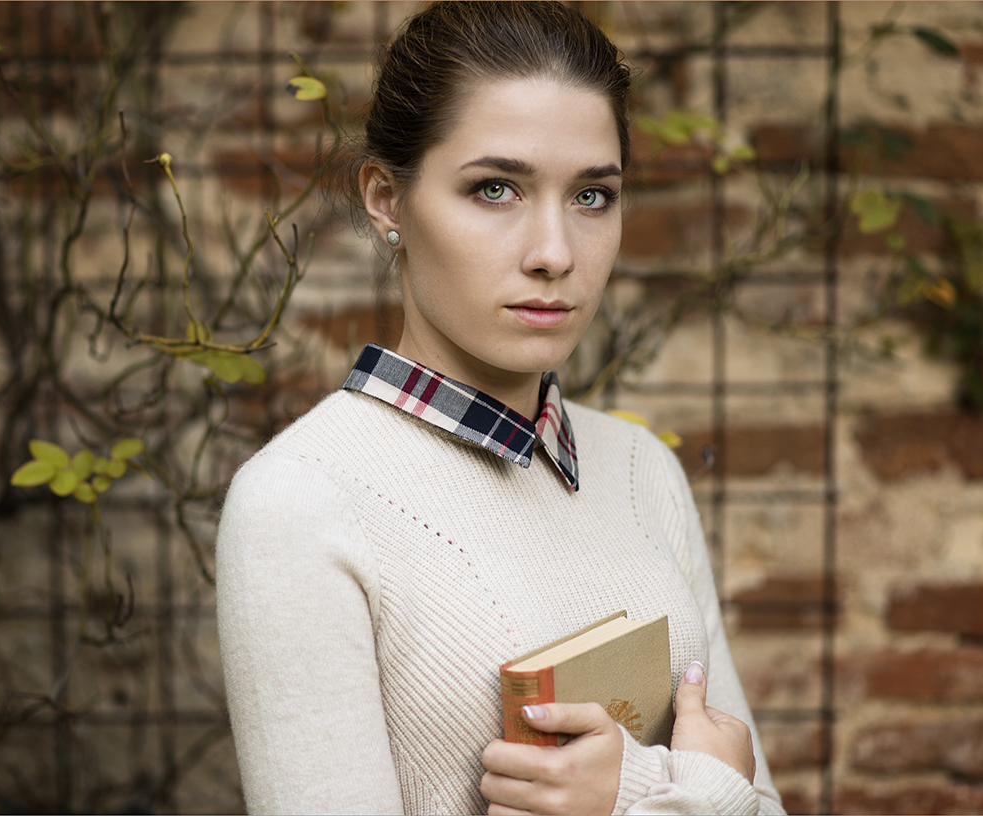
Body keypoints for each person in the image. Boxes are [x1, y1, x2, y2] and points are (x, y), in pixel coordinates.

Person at [215, 3, 786, 814]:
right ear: (386, 198)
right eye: (495, 188)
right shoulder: (302, 503)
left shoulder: (639, 470)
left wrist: (637, 792)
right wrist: (682, 794)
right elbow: (729, 796)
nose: (554, 253)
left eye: (592, 196)